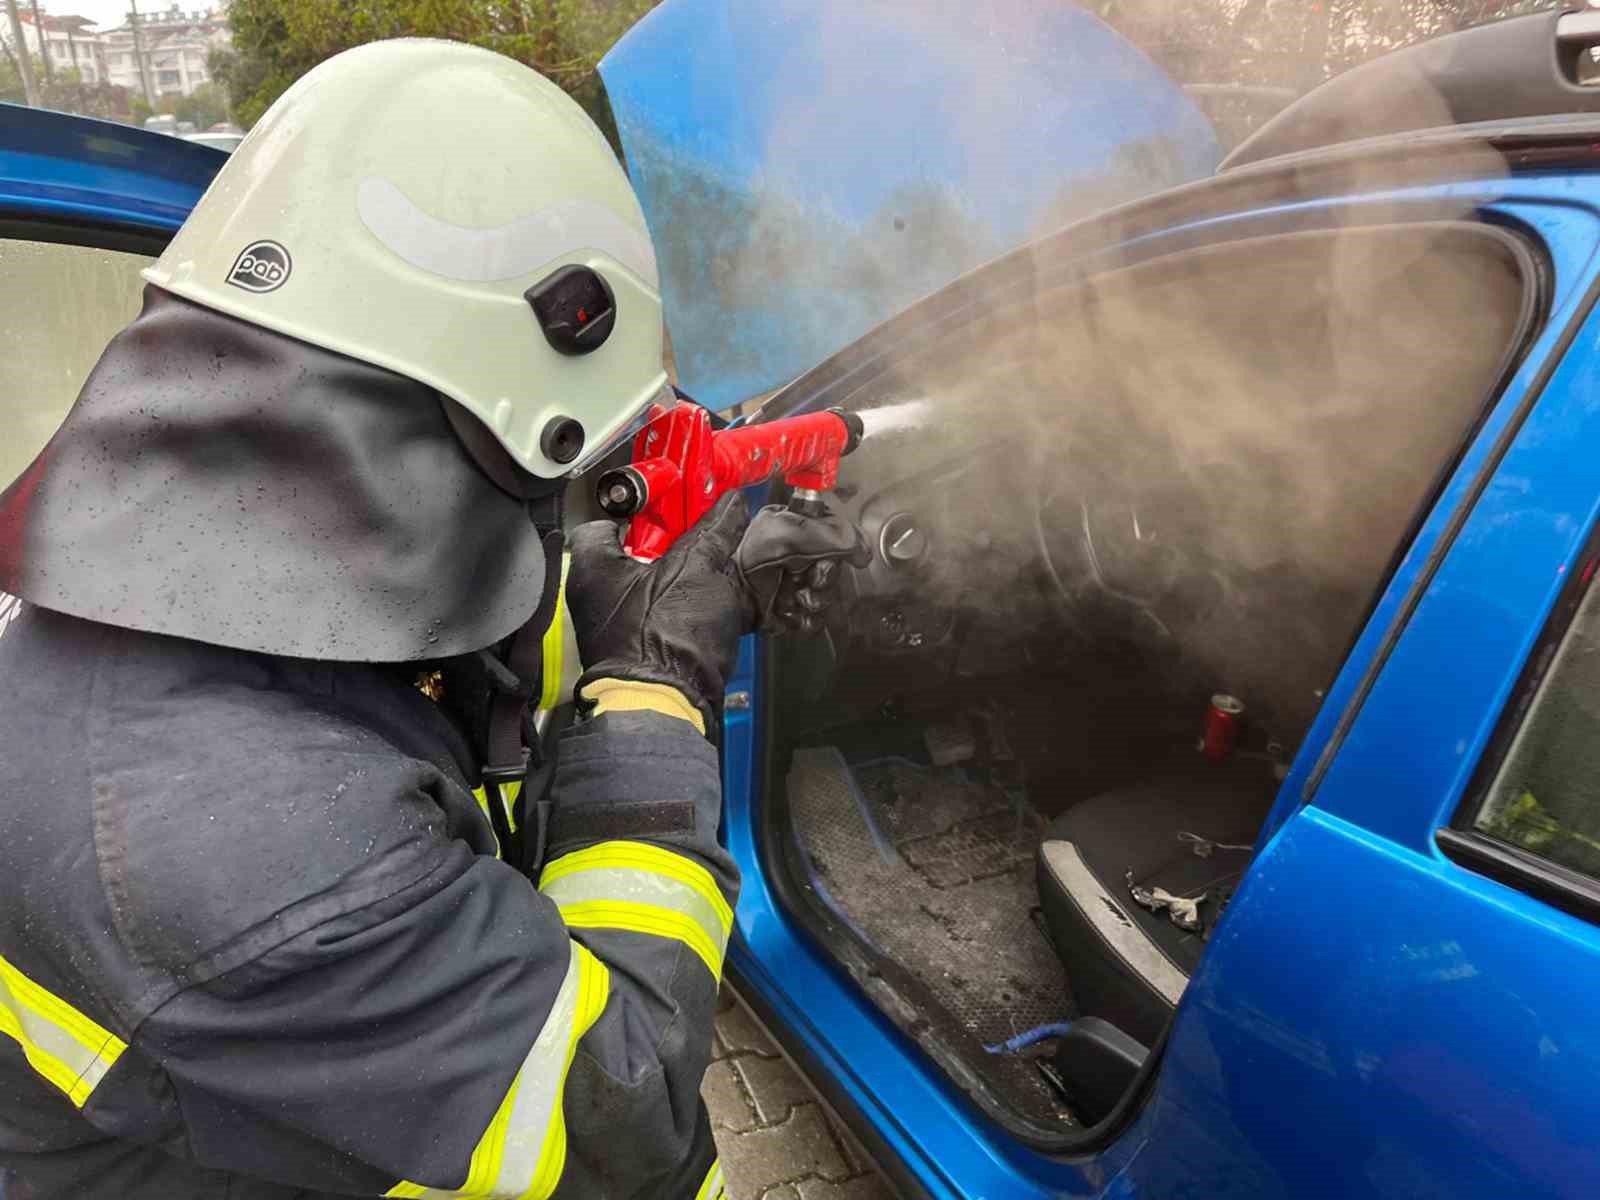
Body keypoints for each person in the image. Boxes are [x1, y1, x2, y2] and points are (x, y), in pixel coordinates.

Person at [0, 40, 863, 1200]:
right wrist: (653, 692)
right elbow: (624, 1122)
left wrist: (630, 588)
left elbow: (411, 677)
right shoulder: (264, 872)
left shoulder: (169, 569)